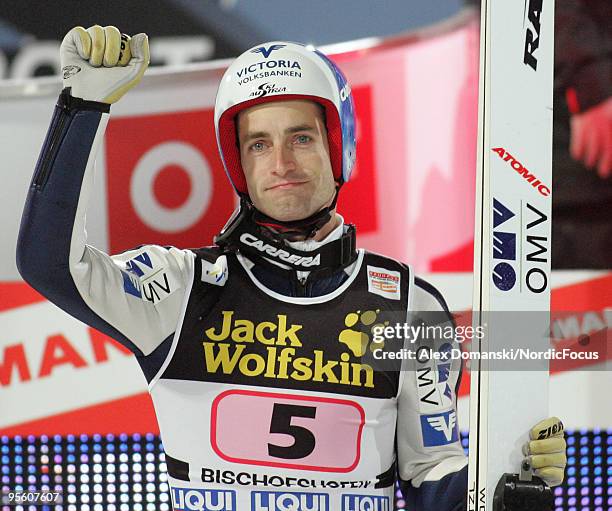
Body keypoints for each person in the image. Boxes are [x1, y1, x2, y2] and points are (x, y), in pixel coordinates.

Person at [16, 25, 566, 511]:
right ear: (239, 165)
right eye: (258, 145)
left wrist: (503, 484)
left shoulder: (411, 307)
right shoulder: (178, 288)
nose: (280, 164)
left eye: (301, 138)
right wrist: (82, 108)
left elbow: (431, 483)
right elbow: (48, 264)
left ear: (338, 147)